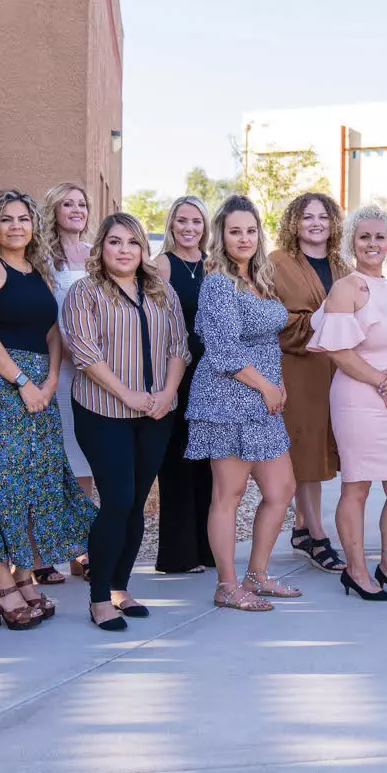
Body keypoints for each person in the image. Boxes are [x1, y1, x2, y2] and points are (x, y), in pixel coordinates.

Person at [0, 189, 96, 631]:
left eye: (24, 218)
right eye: (6, 219)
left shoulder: (37, 270)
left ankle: (23, 573)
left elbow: (54, 331)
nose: (17, 226)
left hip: (39, 386)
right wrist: (22, 383)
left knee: (33, 482)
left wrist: (50, 382)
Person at [62, 213, 190, 631]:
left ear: (143, 250)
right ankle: (99, 597)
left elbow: (178, 347)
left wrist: (168, 394)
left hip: (156, 413)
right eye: (115, 242)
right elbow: (84, 352)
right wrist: (128, 394)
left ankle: (120, 586)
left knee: (136, 502)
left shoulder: (161, 291)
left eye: (133, 243)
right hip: (104, 411)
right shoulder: (85, 292)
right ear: (101, 247)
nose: (124, 250)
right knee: (116, 500)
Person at [307, 205, 387, 600]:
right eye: (364, 237)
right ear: (351, 243)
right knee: (356, 487)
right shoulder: (347, 287)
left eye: (379, 237)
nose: (372, 243)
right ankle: (357, 571)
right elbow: (336, 350)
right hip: (357, 397)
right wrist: (380, 379)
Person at [187, 195, 301, 611]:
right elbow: (223, 351)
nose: (244, 238)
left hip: (264, 399)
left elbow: (271, 340)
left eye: (250, 230)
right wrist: (266, 387)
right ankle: (228, 584)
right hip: (227, 397)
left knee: (281, 488)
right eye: (235, 231)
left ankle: (258, 574)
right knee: (229, 493)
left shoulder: (261, 280)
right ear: (221, 235)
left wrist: (278, 384)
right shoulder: (218, 283)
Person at [269, 193, 351, 574]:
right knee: (305, 450)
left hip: (333, 368)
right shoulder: (276, 263)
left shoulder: (340, 264)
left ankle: (302, 527)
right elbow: (273, 317)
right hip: (297, 366)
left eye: (323, 216)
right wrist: (323, 316)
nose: (315, 223)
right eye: (307, 217)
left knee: (321, 447)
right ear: (294, 223)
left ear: (333, 223)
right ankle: (318, 535)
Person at [152, 195, 215, 575]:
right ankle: (178, 555)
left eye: (196, 221)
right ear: (171, 224)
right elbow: (155, 323)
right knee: (176, 461)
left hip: (213, 377)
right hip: (176, 373)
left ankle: (208, 550)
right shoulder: (161, 265)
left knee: (208, 462)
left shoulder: (215, 266)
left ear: (206, 227)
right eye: (182, 220)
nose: (189, 228)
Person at [43, 181, 94, 584]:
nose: (76, 209)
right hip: (52, 369)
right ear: (53, 210)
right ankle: (43, 554)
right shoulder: (42, 257)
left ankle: (80, 550)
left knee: (82, 459)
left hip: (90, 372)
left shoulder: (97, 255)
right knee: (47, 459)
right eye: (67, 204)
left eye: (82, 204)